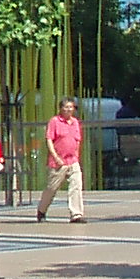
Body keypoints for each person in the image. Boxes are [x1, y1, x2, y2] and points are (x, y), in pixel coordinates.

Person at [40, 97, 87, 226]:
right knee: (52, 188)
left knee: (76, 186)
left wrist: (77, 155)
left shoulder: (75, 122)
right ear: (60, 108)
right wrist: (55, 156)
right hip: (58, 161)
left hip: (72, 159)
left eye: (71, 107)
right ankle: (42, 210)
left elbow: (77, 139)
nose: (68, 110)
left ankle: (76, 214)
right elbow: (49, 139)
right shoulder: (54, 121)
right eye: (65, 107)